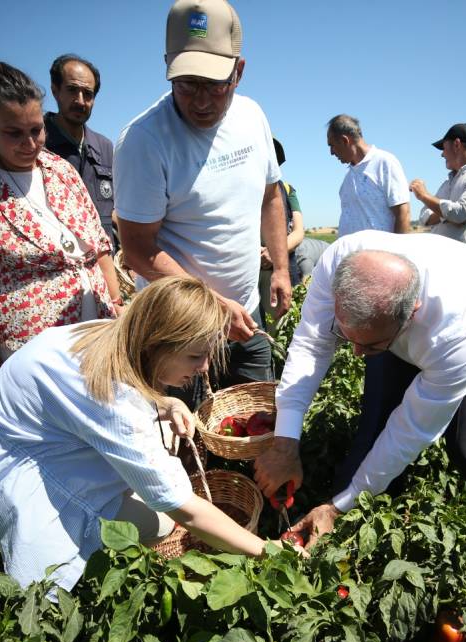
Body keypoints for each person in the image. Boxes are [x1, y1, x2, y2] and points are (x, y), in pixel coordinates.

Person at [0, 276, 285, 592]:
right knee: (158, 524)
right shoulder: (112, 396)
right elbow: (185, 509)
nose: (204, 367)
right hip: (17, 469)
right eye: (195, 355)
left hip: (24, 439)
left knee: (156, 499)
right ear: (156, 343)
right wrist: (270, 552)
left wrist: (165, 403)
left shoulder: (110, 334)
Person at [254, 231, 466, 554]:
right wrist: (285, 444)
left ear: (412, 313)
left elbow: (411, 430)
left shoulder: (454, 335)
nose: (356, 354)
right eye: (349, 338)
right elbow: (312, 344)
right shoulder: (340, 261)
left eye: (369, 345)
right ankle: (357, 513)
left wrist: (337, 508)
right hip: (391, 321)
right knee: (374, 425)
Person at [115, 0, 290, 397]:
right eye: (187, 83)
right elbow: (139, 251)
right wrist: (210, 306)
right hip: (177, 331)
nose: (201, 101)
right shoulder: (145, 141)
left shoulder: (252, 117)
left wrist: (279, 268)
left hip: (246, 315)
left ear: (239, 71)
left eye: (215, 84)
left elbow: (270, 196)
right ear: (167, 66)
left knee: (257, 422)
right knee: (182, 436)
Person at [0, 44, 121, 380]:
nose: (30, 143)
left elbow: (98, 243)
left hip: (96, 326)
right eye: (14, 133)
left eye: (37, 130)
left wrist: (116, 302)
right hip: (34, 348)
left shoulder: (60, 170)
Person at [44, 54, 117, 250]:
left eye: (88, 94)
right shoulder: (35, 143)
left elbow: (116, 210)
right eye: (72, 90)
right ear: (55, 90)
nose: (80, 100)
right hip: (61, 261)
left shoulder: (104, 147)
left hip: (105, 263)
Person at [259, 138, 329, 328]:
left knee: (276, 324)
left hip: (276, 266)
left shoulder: (287, 189)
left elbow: (298, 232)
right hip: (246, 267)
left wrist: (273, 253)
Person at [409, 123, 466, 252]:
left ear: (456, 144)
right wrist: (446, 215)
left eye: (443, 148)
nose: (442, 154)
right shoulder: (448, 182)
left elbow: (459, 213)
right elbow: (424, 217)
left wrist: (424, 195)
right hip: (441, 259)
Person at [326, 114, 410, 236]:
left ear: (345, 140)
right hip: (354, 254)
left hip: (379, 253)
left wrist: (394, 252)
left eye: (332, 145)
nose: (331, 152)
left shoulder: (384, 163)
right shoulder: (348, 177)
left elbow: (403, 212)